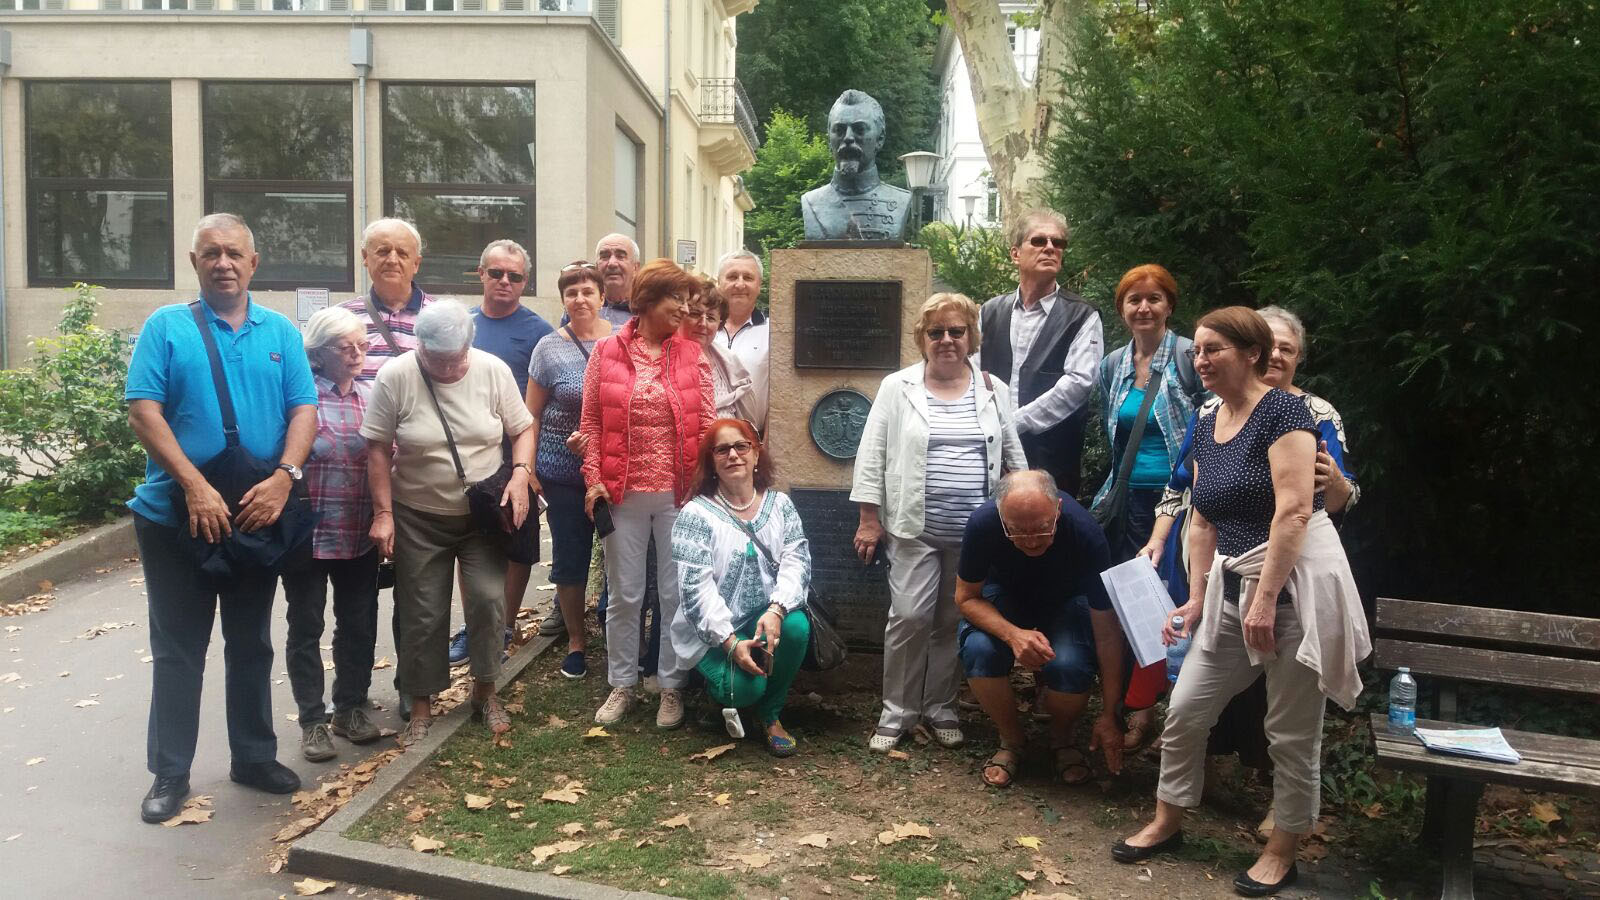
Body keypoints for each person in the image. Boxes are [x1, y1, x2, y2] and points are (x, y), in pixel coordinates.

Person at [1112, 307, 1368, 899]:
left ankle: (1282, 851)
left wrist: (1265, 602)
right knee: (1186, 711)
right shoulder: (1208, 417)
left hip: (1295, 584)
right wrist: (1198, 596)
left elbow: (1296, 511)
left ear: (1250, 354)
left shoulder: (1286, 413)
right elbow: (1200, 516)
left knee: (1290, 730)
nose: (1200, 360)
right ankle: (1167, 820)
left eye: (1213, 350)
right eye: (1197, 350)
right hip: (1233, 580)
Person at [125, 213, 317, 822]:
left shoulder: (280, 332)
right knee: (179, 648)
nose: (223, 263)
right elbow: (142, 409)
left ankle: (254, 756)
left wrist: (285, 480)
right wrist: (195, 485)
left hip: (254, 512)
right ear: (195, 262)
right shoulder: (167, 327)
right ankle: (170, 774)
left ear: (253, 263)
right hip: (173, 516)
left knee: (251, 641)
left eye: (234, 253)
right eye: (211, 253)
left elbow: (305, 409)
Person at [851, 293, 1027, 753]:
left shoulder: (993, 389)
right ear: (922, 339)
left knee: (951, 620)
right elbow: (872, 454)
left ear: (971, 337)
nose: (946, 340)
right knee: (909, 617)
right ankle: (897, 713)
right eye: (936, 332)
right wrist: (869, 518)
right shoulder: (898, 387)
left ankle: (941, 707)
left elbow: (1013, 459)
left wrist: (1018, 513)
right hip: (914, 527)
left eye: (956, 331)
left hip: (974, 535)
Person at [362, 300, 535, 747]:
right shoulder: (397, 375)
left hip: (481, 515)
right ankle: (421, 706)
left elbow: (522, 428)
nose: (445, 367)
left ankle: (485, 691)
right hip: (418, 514)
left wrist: (519, 473)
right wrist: (383, 514)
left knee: (487, 598)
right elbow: (378, 448)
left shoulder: (492, 370)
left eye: (454, 359)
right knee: (423, 611)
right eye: (435, 359)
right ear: (419, 346)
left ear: (469, 347)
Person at [579, 258, 714, 729]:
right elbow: (592, 422)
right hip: (622, 493)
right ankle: (623, 684)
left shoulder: (693, 355)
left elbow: (709, 425)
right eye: (676, 298)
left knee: (675, 593)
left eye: (687, 299)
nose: (685, 308)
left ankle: (671, 686)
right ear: (649, 300)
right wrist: (594, 477)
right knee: (625, 595)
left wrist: (707, 487)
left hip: (679, 495)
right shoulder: (606, 353)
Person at [1089, 265, 1206, 751]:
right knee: (1132, 609)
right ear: (1122, 309)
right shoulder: (1113, 364)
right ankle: (1138, 709)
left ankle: (1175, 715)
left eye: (1154, 298)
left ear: (1169, 306)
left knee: (1174, 609)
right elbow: (1111, 433)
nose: (1143, 307)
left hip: (1181, 508)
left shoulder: (1186, 358)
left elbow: (1212, 426)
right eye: (1133, 299)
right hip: (1125, 503)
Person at [954, 470, 1127, 788]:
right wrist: (1013, 635)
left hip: (1066, 598)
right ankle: (1011, 740)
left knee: (1070, 664)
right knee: (979, 650)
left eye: (1042, 529)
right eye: (1017, 532)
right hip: (1003, 594)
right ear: (1002, 515)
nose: (1031, 541)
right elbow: (965, 598)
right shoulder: (983, 523)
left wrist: (1110, 714)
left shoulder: (1086, 533)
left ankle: (1062, 739)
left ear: (1058, 510)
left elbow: (1107, 632)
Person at [670, 419, 812, 756]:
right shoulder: (696, 515)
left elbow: (797, 562)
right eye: (722, 449)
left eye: (741, 446)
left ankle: (770, 716)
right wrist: (731, 643)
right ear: (712, 462)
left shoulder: (780, 506)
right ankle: (720, 694)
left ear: (756, 454)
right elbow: (695, 591)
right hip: (714, 635)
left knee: (796, 627)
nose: (733, 455)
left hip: (764, 622)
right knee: (746, 688)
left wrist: (776, 610)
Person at [446, 239, 554, 667]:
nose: (505, 281)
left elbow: (544, 407)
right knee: (469, 541)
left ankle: (504, 626)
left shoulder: (538, 333)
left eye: (514, 276)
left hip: (516, 458)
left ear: (525, 282)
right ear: (481, 274)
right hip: (466, 458)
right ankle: (474, 627)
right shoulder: (461, 326)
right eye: (496, 273)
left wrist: (532, 467)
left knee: (515, 542)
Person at [283, 307, 383, 763]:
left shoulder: (372, 394)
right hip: (308, 531)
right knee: (306, 625)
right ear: (319, 354)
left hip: (359, 530)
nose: (358, 354)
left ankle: (350, 708)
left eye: (363, 345)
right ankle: (311, 721)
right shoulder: (302, 398)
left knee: (358, 623)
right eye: (347, 347)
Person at [525, 260, 614, 678]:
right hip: (563, 474)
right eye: (571, 292)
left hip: (615, 472)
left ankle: (618, 634)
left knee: (620, 556)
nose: (580, 299)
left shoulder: (622, 342)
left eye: (587, 291)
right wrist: (528, 467)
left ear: (602, 296)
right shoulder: (548, 347)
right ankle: (577, 642)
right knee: (569, 558)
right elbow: (532, 415)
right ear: (563, 299)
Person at [978, 209, 1104, 497]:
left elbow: (1079, 384)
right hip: (988, 457)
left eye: (1058, 243)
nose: (1050, 247)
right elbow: (971, 376)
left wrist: (1013, 423)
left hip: (1051, 463)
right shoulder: (989, 311)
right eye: (1038, 240)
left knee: (1044, 539)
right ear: (1015, 253)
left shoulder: (1082, 315)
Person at [800, 89, 912, 241]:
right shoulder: (811, 202)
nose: (848, 138)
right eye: (839, 130)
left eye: (859, 129)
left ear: (880, 139)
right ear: (829, 139)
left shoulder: (901, 201)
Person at [340, 218, 434, 381]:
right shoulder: (341, 318)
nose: (392, 260)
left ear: (416, 264)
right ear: (365, 257)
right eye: (383, 252)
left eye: (402, 253)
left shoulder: (441, 319)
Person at [681, 280, 759, 423]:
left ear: (719, 324)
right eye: (695, 314)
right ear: (681, 315)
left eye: (711, 318)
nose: (703, 323)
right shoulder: (665, 359)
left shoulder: (730, 363)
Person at [713, 249, 769, 433]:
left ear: (759, 285)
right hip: (703, 441)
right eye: (732, 277)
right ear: (719, 283)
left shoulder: (772, 333)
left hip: (752, 443)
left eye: (748, 277)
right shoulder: (701, 331)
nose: (740, 284)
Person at [593, 233, 642, 328]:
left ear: (635, 268)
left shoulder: (649, 310)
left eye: (620, 256)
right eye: (605, 256)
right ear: (596, 267)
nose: (612, 263)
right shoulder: (583, 308)